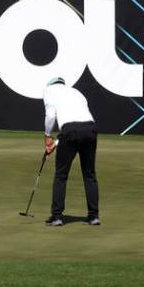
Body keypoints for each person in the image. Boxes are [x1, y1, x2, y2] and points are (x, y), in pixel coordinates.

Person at [43, 76, 99, 227]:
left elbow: (51, 116)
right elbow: (77, 125)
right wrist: (55, 143)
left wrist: (47, 136)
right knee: (89, 174)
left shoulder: (49, 91)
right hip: (90, 129)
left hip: (70, 130)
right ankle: (93, 216)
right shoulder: (76, 92)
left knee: (61, 175)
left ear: (51, 85)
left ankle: (57, 216)